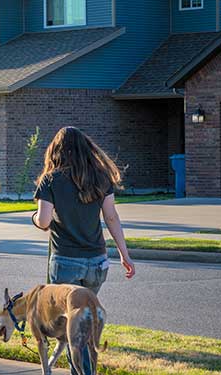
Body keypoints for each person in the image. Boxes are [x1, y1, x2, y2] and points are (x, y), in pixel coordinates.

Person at [31, 126, 135, 375]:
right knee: (84, 326)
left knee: (72, 331)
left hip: (65, 262)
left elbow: (44, 222)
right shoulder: (100, 177)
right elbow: (111, 217)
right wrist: (124, 254)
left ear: (55, 150)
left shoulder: (50, 179)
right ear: (87, 149)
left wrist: (34, 217)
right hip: (98, 263)